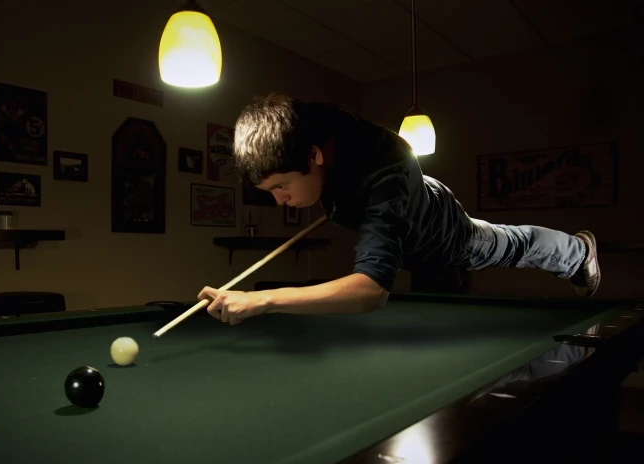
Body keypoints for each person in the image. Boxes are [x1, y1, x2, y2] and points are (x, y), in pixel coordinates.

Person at [198, 94, 600, 325]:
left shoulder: (382, 183)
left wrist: (263, 299)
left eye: (281, 186)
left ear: (315, 156)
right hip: (409, 201)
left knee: (507, 244)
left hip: (439, 230)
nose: (279, 200)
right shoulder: (307, 125)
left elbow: (371, 292)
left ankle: (577, 252)